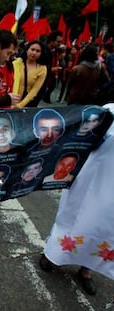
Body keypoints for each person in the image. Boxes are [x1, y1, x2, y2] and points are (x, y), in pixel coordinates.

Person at [39, 103, 114, 296]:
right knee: (73, 219)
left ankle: (87, 269)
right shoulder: (108, 111)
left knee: (105, 229)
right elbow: (83, 139)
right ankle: (53, 254)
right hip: (89, 180)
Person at [12, 40, 48, 108]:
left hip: (28, 103)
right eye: (32, 49)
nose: (34, 53)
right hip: (12, 100)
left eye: (38, 51)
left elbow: (34, 91)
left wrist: (20, 105)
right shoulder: (17, 63)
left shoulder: (42, 69)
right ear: (27, 50)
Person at [42, 30, 63, 104]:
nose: (60, 44)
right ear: (52, 41)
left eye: (61, 42)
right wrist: (51, 69)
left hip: (49, 76)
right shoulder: (42, 50)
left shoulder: (55, 51)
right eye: (58, 42)